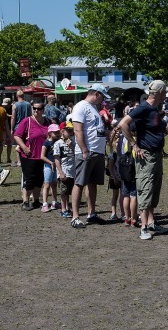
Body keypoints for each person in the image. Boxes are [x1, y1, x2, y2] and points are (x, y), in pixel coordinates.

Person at [118, 79, 168, 241]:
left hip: (156, 155)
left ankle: (152, 222)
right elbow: (123, 124)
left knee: (154, 189)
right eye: (165, 91)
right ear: (159, 92)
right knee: (145, 188)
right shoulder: (143, 108)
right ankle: (144, 227)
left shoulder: (153, 109)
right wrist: (134, 145)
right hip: (146, 155)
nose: (166, 94)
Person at [68, 84, 112, 229]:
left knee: (92, 183)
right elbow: (78, 130)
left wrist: (106, 133)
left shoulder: (94, 108)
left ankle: (91, 213)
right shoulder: (81, 107)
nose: (103, 101)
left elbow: (95, 129)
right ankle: (75, 216)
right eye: (102, 97)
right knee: (79, 183)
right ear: (96, 94)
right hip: (86, 151)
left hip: (97, 151)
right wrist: (84, 149)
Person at [12, 99, 50, 210]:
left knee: (39, 179)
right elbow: (17, 135)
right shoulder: (26, 121)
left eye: (39, 109)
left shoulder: (47, 122)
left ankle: (36, 200)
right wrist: (24, 147)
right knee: (29, 179)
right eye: (34, 108)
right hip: (29, 155)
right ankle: (25, 201)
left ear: (43, 110)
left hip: (43, 156)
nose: (36, 111)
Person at [52, 125, 76, 218]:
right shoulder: (58, 143)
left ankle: (68, 207)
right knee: (63, 191)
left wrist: (72, 146)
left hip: (73, 171)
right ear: (62, 131)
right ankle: (63, 209)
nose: (70, 133)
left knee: (70, 191)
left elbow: (78, 154)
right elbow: (57, 158)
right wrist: (61, 172)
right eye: (68, 131)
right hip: (64, 170)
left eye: (71, 131)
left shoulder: (73, 142)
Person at [39, 124, 60, 212]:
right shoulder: (46, 143)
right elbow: (42, 156)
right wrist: (50, 162)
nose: (57, 134)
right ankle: (44, 203)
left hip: (55, 166)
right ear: (50, 133)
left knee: (54, 184)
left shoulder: (57, 142)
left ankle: (54, 201)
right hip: (48, 166)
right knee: (47, 184)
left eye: (58, 132)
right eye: (55, 132)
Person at [8, 90, 31, 166]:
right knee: (25, 143)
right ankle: (26, 158)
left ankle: (19, 161)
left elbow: (13, 118)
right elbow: (31, 116)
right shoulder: (28, 104)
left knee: (18, 144)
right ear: (23, 96)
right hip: (27, 126)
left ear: (16, 96)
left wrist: (11, 129)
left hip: (18, 127)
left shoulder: (15, 105)